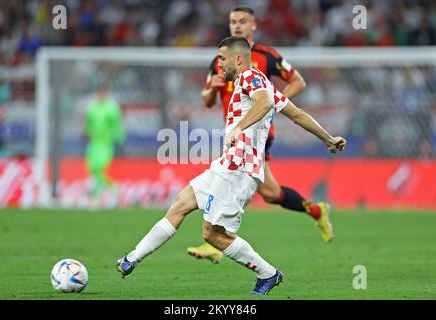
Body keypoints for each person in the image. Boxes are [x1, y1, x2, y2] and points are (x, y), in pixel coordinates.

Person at [116, 36, 346, 295]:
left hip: (240, 169)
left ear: (238, 59)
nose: (219, 65)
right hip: (226, 164)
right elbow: (298, 115)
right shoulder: (260, 82)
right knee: (180, 204)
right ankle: (131, 259)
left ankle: (268, 273)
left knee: (213, 235)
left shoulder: (251, 77)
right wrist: (329, 138)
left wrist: (238, 127)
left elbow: (264, 103)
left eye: (222, 59)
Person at [187, 6, 332, 264]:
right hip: (233, 134)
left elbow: (298, 81)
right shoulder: (220, 59)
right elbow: (207, 99)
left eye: (243, 21)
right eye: (233, 21)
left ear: (253, 25)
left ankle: (215, 241)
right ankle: (315, 210)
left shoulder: (266, 56)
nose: (237, 25)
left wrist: (273, 105)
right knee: (270, 193)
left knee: (233, 181)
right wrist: (211, 90)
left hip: (255, 136)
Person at [83, 85, 125, 202]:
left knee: (100, 168)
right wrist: (85, 131)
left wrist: (120, 138)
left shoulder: (111, 107)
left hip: (106, 143)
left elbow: (117, 124)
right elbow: (88, 123)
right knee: (94, 169)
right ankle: (111, 191)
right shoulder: (92, 107)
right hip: (94, 143)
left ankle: (99, 195)